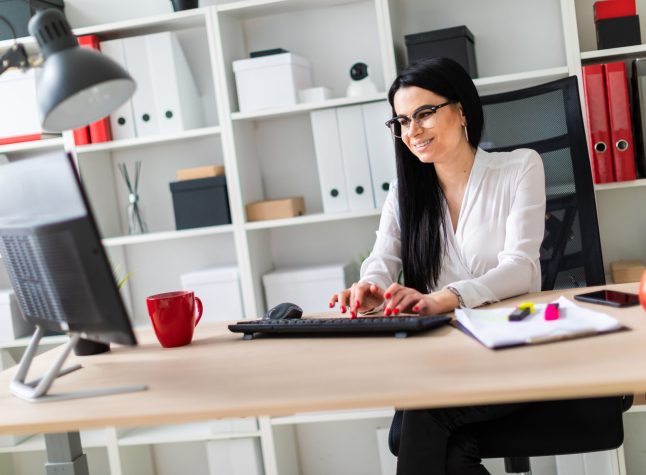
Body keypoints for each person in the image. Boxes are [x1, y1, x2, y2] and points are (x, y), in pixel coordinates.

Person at [329, 57, 546, 474]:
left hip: (510, 350)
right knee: (444, 447)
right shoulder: (406, 191)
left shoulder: (519, 167)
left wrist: (442, 299)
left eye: (425, 113)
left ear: (461, 109)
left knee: (419, 421)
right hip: (442, 358)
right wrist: (371, 285)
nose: (413, 131)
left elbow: (522, 269)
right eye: (402, 121)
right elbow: (383, 256)